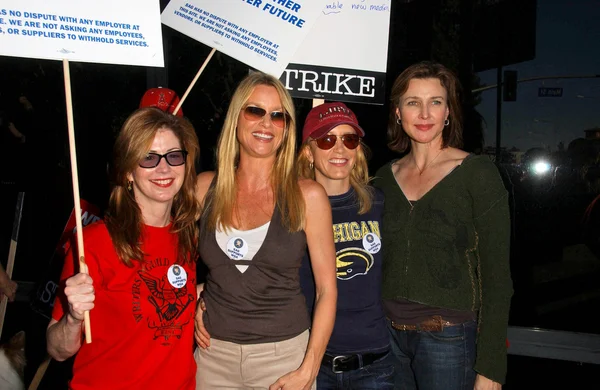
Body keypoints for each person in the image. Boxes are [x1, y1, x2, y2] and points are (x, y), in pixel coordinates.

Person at [193, 71, 337, 390]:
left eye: (278, 116)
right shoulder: (204, 189)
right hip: (213, 357)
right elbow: (166, 258)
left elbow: (327, 291)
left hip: (284, 359)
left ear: (287, 128)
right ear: (236, 118)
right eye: (255, 110)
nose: (266, 123)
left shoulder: (308, 196)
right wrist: (191, 297)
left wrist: (309, 368)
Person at [373, 61, 513, 390]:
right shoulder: (380, 178)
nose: (424, 113)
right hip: (386, 338)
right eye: (412, 102)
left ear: (448, 111)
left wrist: (491, 367)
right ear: (397, 112)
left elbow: (497, 278)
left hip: (448, 339)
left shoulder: (477, 174)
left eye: (435, 102)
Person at [46, 107, 201, 389]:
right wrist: (73, 317)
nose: (164, 168)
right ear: (128, 171)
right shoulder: (93, 242)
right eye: (148, 158)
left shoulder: (187, 236)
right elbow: (57, 350)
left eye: (173, 156)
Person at [297, 102, 394, 389]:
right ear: (308, 152)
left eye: (349, 140)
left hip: (375, 364)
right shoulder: (292, 208)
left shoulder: (377, 203)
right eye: (327, 140)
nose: (340, 149)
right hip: (312, 362)